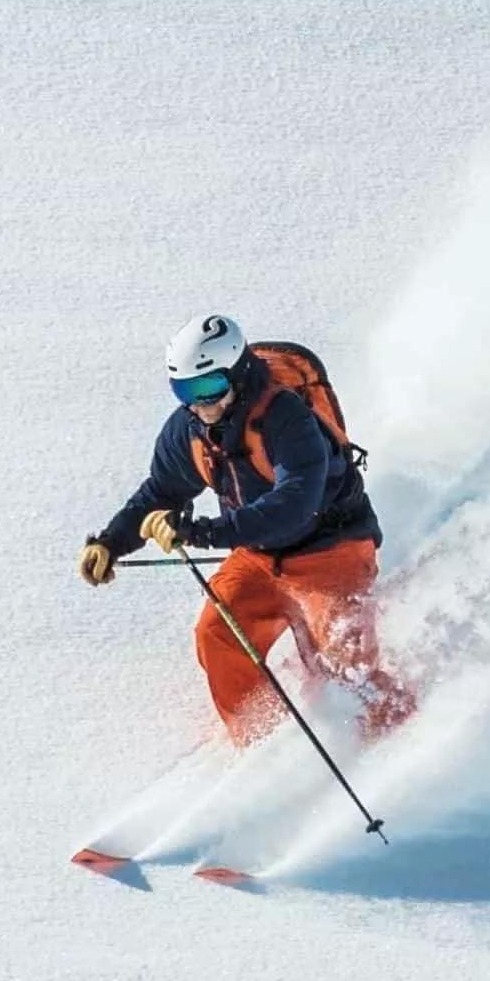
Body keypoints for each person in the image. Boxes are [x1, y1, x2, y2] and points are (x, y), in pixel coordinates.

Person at [79, 314, 416, 746]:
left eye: (209, 388)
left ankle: (395, 742)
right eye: (185, 392)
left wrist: (201, 533)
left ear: (237, 373)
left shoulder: (287, 420)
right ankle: (264, 745)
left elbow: (294, 506)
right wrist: (111, 542)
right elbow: (162, 491)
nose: (200, 403)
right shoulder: (191, 430)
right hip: (259, 556)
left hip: (332, 550)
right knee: (216, 633)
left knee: (349, 670)